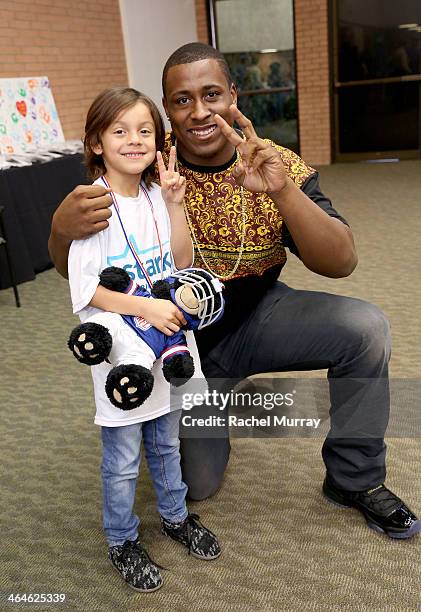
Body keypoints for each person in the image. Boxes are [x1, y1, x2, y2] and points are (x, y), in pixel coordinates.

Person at [49, 44, 420, 541]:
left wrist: (282, 190)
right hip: (184, 347)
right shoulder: (147, 174)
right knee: (198, 485)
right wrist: (58, 229)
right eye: (181, 101)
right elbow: (77, 270)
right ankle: (208, 404)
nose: (199, 111)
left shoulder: (274, 160)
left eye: (212, 95)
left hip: (261, 312)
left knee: (365, 329)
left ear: (233, 97)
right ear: (167, 113)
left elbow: (342, 262)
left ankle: (355, 479)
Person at [67, 87, 221, 593]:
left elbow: (179, 263)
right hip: (123, 356)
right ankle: (122, 539)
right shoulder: (93, 207)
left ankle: (175, 518)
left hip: (169, 347)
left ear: (159, 141)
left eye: (145, 130)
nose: (134, 140)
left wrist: (176, 204)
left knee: (167, 444)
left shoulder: (159, 195)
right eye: (120, 131)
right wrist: (148, 307)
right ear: (95, 142)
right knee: (123, 457)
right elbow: (87, 288)